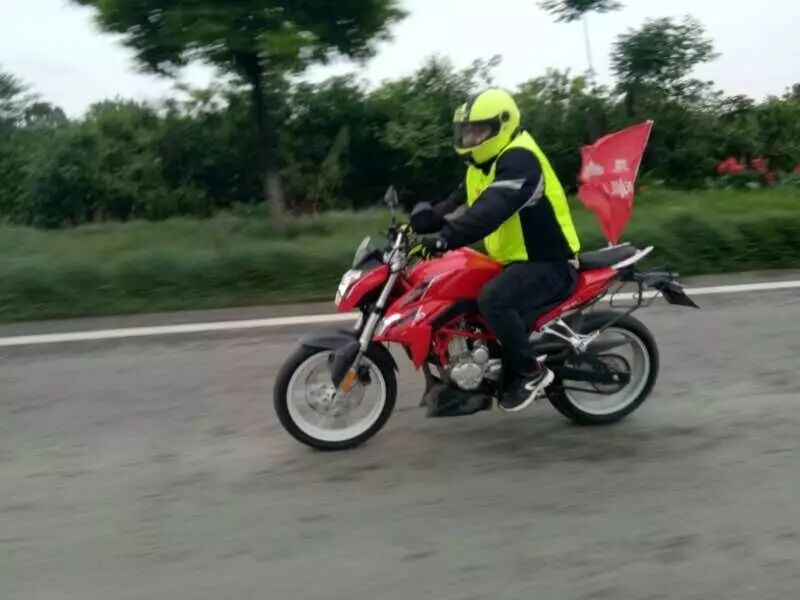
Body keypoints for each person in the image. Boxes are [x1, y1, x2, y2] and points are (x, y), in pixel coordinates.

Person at [410, 88, 581, 413]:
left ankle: (530, 372)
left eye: (479, 130)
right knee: (460, 291)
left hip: (550, 262)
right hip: (514, 262)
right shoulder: (481, 165)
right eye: (467, 131)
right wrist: (419, 223)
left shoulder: (520, 160)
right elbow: (453, 204)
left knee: (493, 299)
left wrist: (445, 239)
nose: (470, 138)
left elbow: (490, 211)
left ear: (502, 125)